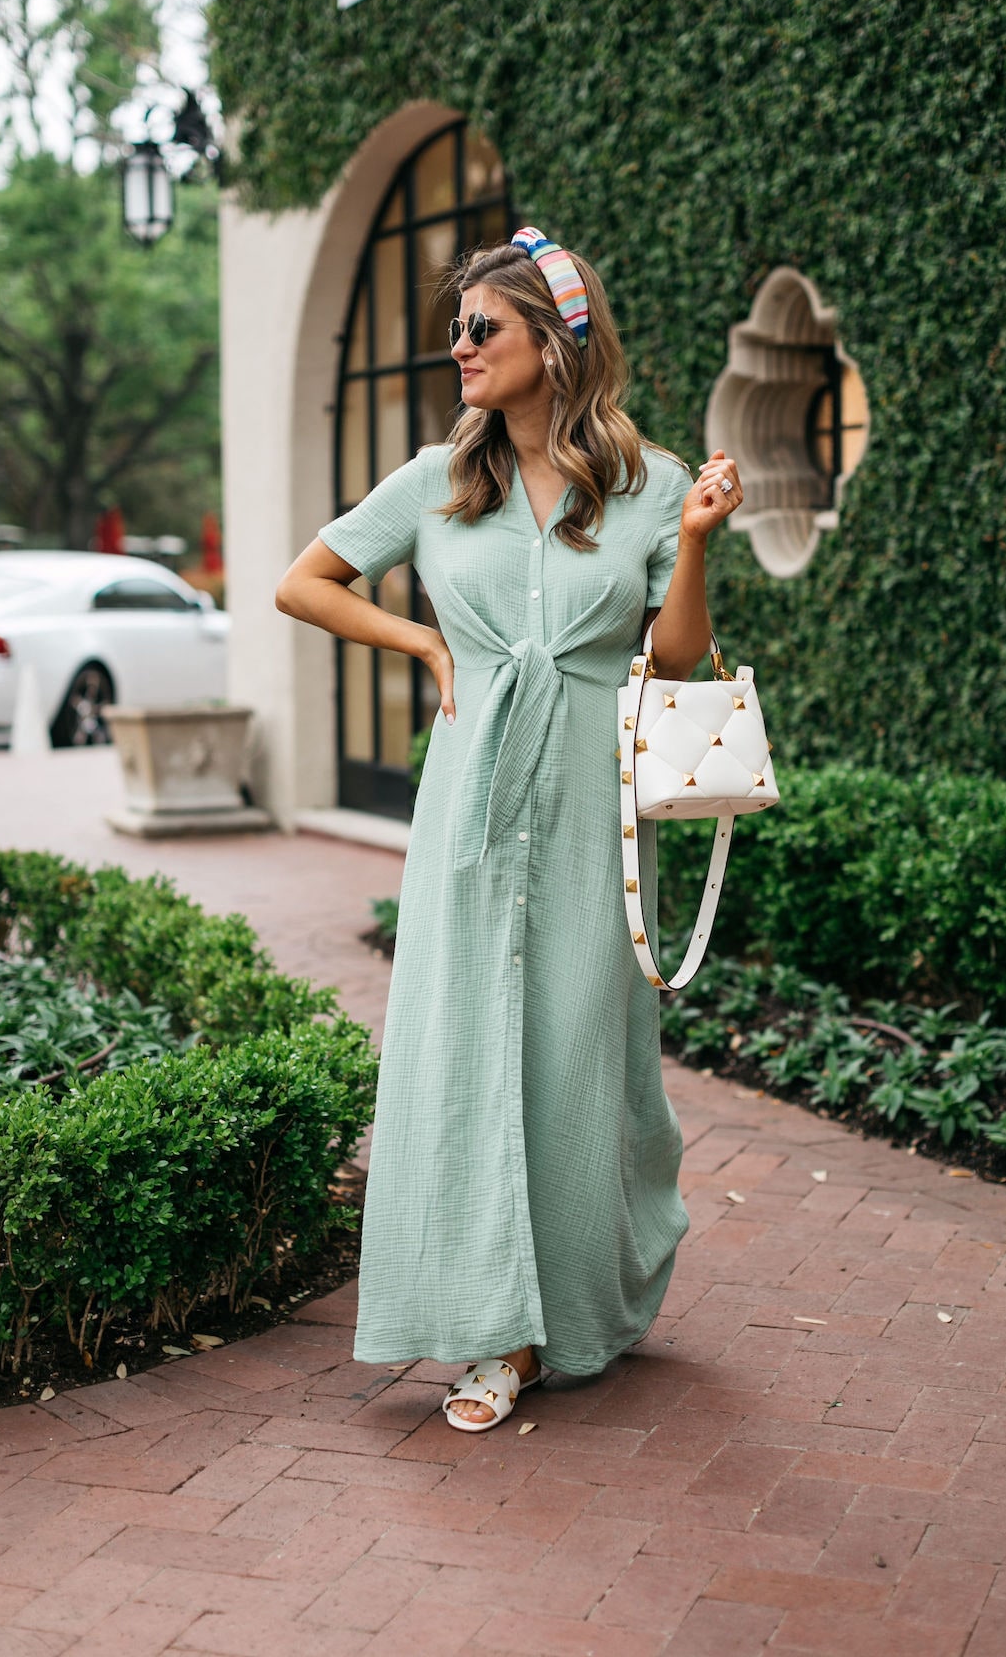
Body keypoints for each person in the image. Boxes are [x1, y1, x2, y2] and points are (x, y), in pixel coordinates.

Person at [276, 226, 743, 1430]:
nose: (461, 347)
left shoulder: (646, 480)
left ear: (555, 340)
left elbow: (676, 657)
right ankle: (502, 1329)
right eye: (457, 330)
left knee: (588, 1060)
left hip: (590, 805)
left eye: (483, 327)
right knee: (469, 1052)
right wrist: (426, 640)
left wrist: (690, 542)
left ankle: (596, 1292)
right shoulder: (438, 480)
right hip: (473, 805)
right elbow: (305, 582)